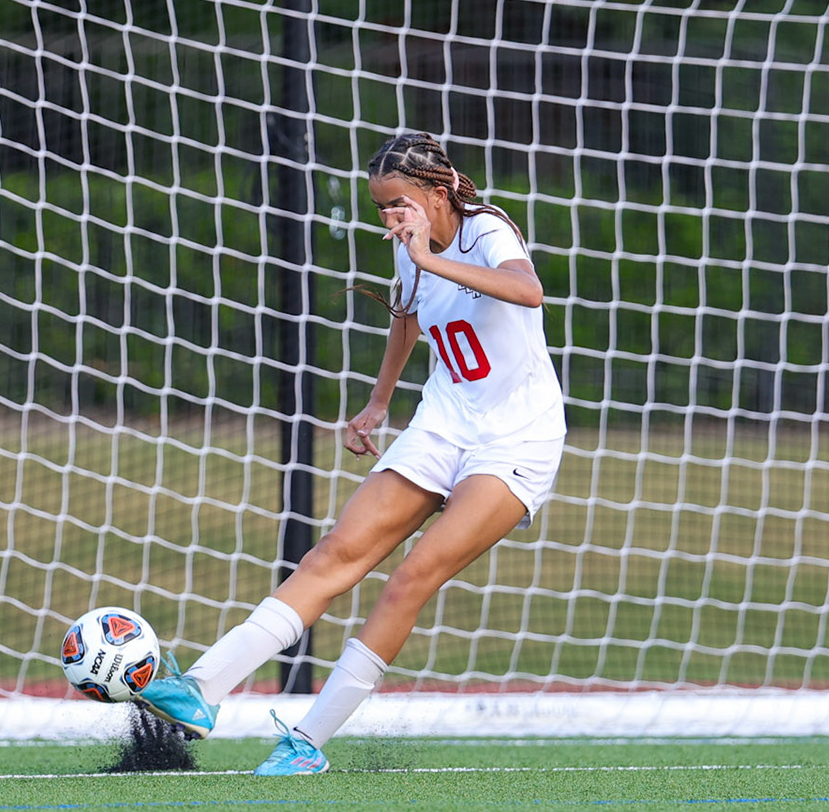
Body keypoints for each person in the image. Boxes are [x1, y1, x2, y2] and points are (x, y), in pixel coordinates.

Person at [139, 131, 566, 774]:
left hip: (517, 438)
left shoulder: (487, 229)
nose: (391, 219)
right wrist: (378, 401)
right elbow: (407, 317)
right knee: (334, 554)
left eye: (399, 203)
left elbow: (528, 291)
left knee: (410, 579)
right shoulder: (409, 248)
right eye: (381, 209)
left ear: (439, 190)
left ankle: (308, 742)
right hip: (445, 421)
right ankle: (200, 690)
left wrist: (427, 255)